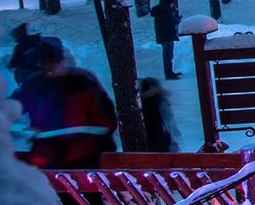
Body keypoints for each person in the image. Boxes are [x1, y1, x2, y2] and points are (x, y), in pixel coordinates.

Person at [18, 39, 117, 169]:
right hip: (48, 157)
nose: (50, 68)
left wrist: (100, 141)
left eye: (54, 62)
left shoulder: (82, 81)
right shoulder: (34, 84)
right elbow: (16, 107)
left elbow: (106, 119)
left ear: (62, 60)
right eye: (45, 64)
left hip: (85, 156)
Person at [138, 77, 176, 154]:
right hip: (153, 140)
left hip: (158, 140)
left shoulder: (160, 102)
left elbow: (170, 123)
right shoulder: (141, 103)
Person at [150, 0, 182, 79]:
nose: (173, 5)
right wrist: (177, 19)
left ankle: (169, 73)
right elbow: (172, 22)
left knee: (167, 55)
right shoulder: (166, 11)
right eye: (172, 4)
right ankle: (169, 74)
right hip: (167, 35)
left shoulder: (160, 10)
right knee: (168, 55)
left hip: (164, 36)